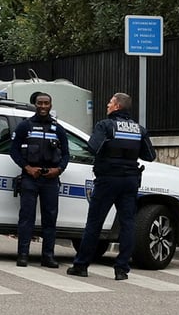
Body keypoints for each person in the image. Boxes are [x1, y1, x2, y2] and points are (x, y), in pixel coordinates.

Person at [67, 93, 156, 280]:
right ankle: (122, 269)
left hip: (107, 180)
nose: (107, 105)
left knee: (94, 223)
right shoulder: (139, 129)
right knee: (128, 224)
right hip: (130, 181)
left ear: (116, 106)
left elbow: (92, 148)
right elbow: (149, 156)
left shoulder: (105, 125)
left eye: (110, 102)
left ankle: (81, 265)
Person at [10, 92, 69, 268]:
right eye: (40, 103)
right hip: (30, 178)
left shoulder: (57, 128)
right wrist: (27, 168)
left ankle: (48, 256)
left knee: (50, 219)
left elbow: (66, 154)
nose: (43, 106)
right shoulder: (25, 126)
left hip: (50, 179)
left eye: (46, 103)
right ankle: (23, 255)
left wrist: (58, 170)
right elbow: (13, 151)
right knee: (26, 218)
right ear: (35, 105)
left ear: (51, 105)